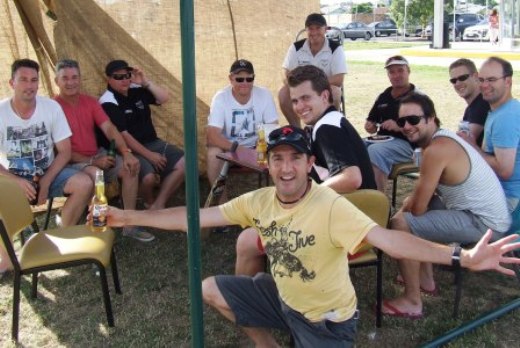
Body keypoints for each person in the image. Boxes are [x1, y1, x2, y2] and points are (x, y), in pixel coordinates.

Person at [101, 126, 520, 347]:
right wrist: (125, 216)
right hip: (284, 300)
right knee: (211, 288)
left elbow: (391, 240)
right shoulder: (260, 200)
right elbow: (193, 218)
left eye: (295, 159)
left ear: (309, 164)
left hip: (327, 324)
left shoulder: (331, 206)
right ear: (268, 165)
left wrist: (459, 257)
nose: (286, 169)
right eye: (277, 160)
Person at [235, 65, 375, 276]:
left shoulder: (327, 129)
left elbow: (352, 178)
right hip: (355, 221)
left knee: (246, 241)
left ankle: (250, 304)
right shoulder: (332, 121)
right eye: (295, 101)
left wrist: (303, 200)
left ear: (325, 96)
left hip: (348, 231)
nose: (300, 107)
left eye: (306, 98)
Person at [383, 93, 511, 318]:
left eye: (413, 120)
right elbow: (422, 198)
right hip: (484, 215)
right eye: (402, 121)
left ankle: (412, 301)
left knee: (400, 223)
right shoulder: (441, 139)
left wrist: (405, 209)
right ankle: (426, 280)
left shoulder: (436, 149)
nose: (406, 126)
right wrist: (408, 204)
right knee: (409, 210)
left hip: (485, 223)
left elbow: (419, 208)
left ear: (431, 118)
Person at [0, 59, 93, 272]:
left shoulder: (51, 108)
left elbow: (65, 151)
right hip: (12, 177)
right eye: (23, 80)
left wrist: (47, 181)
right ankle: (6, 258)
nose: (29, 85)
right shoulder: (1, 112)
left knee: (84, 183)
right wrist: (16, 181)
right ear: (12, 83)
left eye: (34, 80)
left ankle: (63, 237)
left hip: (49, 171)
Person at [54, 59, 154, 243]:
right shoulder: (53, 107)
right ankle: (95, 230)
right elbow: (60, 150)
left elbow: (109, 128)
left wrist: (126, 152)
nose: (70, 82)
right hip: (70, 162)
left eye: (74, 77)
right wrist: (92, 161)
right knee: (97, 176)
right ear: (56, 81)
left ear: (80, 79)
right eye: (65, 78)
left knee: (131, 166)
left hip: (96, 154)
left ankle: (129, 225)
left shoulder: (90, 102)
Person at [99, 60, 185, 211]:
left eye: (127, 75)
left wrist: (146, 82)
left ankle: (158, 203)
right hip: (127, 148)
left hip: (152, 141)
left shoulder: (136, 88)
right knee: (148, 178)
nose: (124, 80)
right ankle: (147, 200)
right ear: (108, 79)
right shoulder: (107, 101)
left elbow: (163, 98)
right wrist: (150, 156)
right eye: (118, 77)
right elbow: (124, 136)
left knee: (185, 162)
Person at [461, 57, 520, 233]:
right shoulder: (503, 109)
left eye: (492, 80)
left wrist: (473, 147)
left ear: (508, 81)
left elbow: (504, 170)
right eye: (481, 80)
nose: (484, 85)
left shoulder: (505, 117)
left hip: (509, 202)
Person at [206, 59, 278, 203]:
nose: (244, 83)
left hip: (257, 147)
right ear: (231, 79)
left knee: (281, 152)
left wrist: (260, 146)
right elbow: (212, 136)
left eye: (249, 78)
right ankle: (223, 206)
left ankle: (279, 202)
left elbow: (272, 127)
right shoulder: (220, 98)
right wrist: (237, 149)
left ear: (253, 79)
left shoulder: (264, 94)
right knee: (213, 154)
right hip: (230, 149)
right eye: (239, 79)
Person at [279, 13, 347, 127]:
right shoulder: (296, 47)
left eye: (318, 28)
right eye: (311, 28)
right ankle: (298, 131)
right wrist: (296, 87)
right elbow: (285, 72)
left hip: (323, 88)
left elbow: (339, 79)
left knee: (335, 92)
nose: (314, 32)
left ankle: (330, 127)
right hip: (300, 90)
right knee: (283, 94)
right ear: (306, 30)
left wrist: (314, 85)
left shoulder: (335, 48)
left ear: (325, 29)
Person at [364, 55, 418, 192]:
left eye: (400, 70)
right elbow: (371, 124)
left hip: (408, 145)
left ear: (409, 71)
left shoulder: (418, 98)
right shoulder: (384, 96)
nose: (396, 75)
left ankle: (379, 202)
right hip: (382, 140)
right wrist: (369, 126)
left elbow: (426, 131)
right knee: (355, 145)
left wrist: (400, 127)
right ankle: (363, 195)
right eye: (392, 72)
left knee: (375, 151)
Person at [449, 58, 489, 147]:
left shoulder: (482, 104)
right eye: (453, 81)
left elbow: (464, 143)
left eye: (462, 78)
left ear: (475, 76)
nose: (458, 83)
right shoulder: (473, 106)